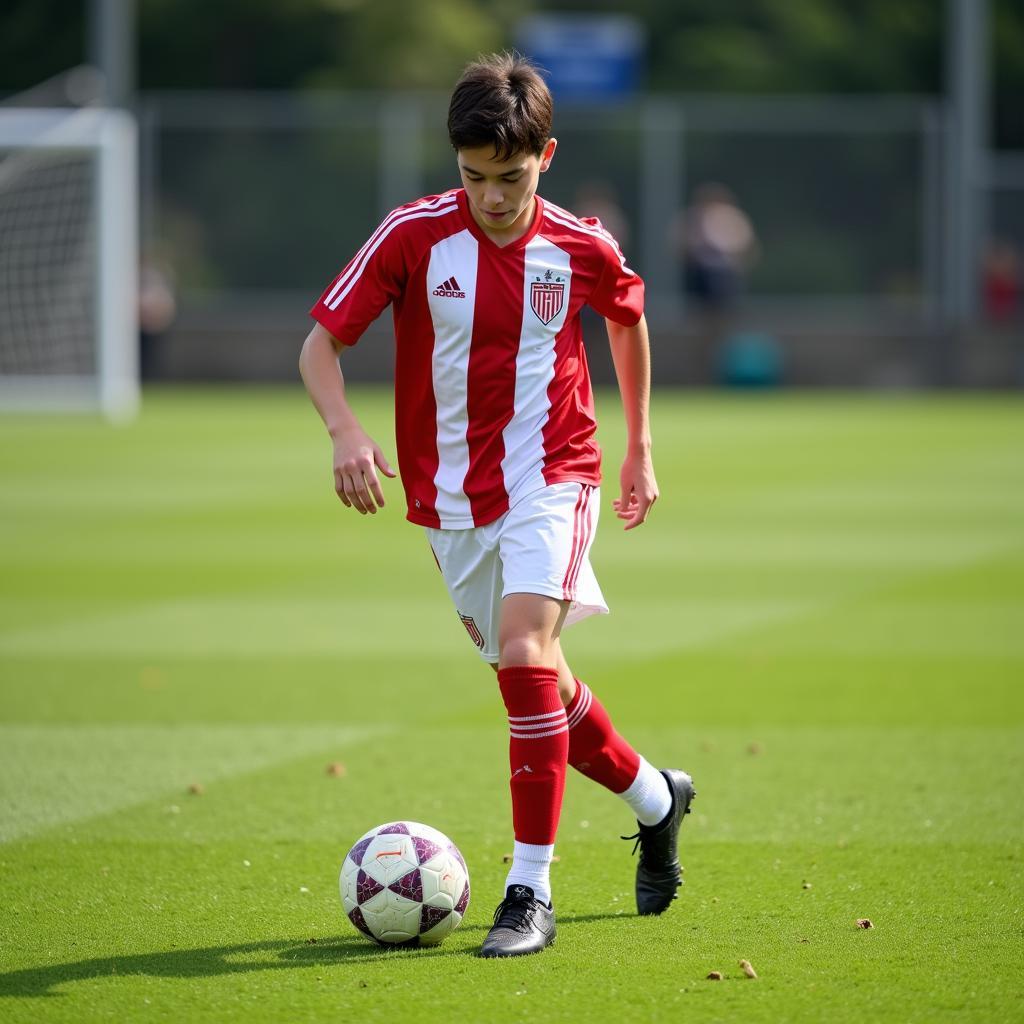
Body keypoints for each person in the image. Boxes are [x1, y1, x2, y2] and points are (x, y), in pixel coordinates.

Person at [299, 53, 694, 959]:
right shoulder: (411, 236)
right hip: (448, 504)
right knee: (541, 683)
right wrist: (343, 433)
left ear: (544, 157)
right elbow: (320, 347)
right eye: (474, 177)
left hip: (554, 474)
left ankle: (530, 891)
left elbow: (626, 317)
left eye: (510, 177)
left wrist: (637, 447)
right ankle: (658, 800)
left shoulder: (580, 245)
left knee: (523, 654)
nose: (492, 195)